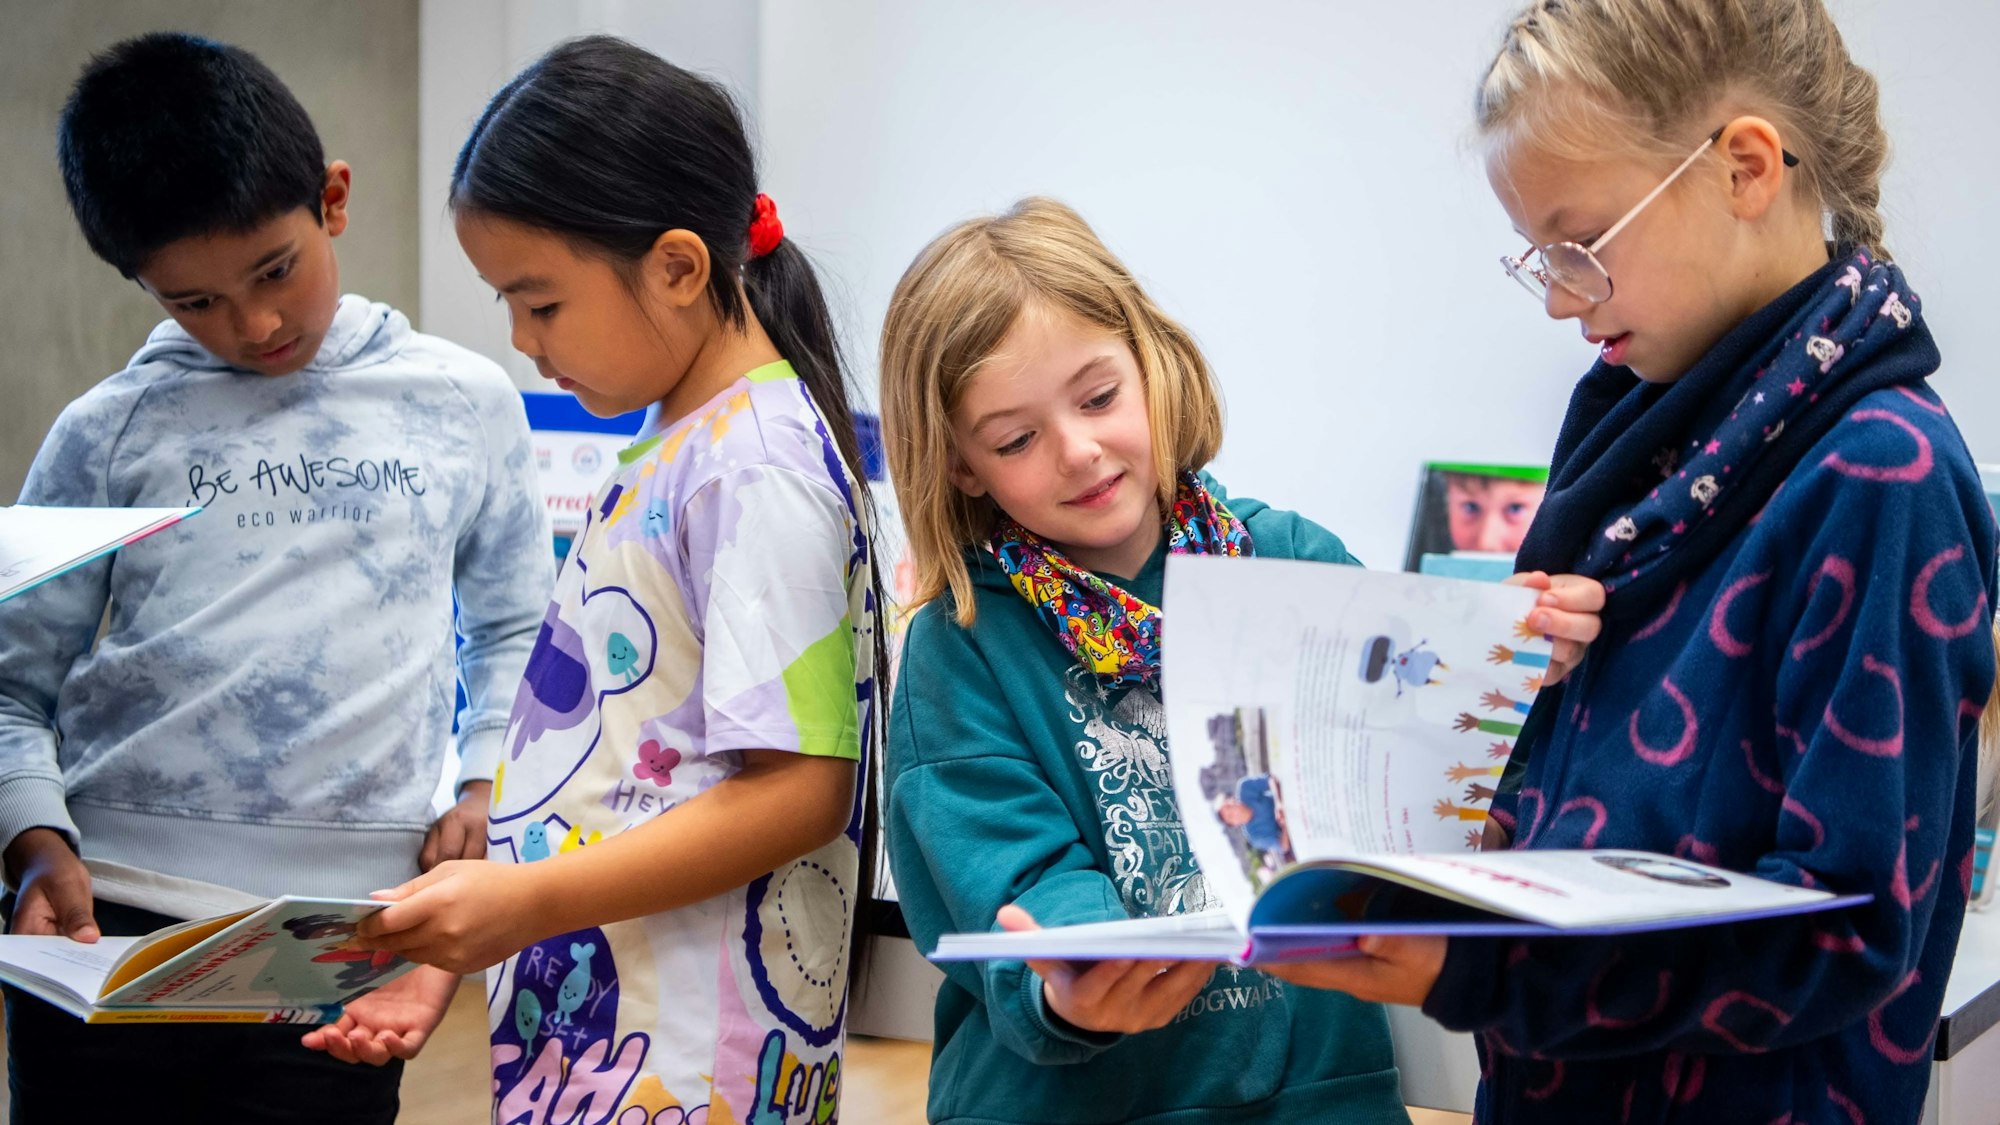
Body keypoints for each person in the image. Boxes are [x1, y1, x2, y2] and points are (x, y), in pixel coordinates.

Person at [1270, 3, 1998, 1122]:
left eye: (1582, 245)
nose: (1561, 298)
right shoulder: (1644, 425)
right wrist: (1494, 715)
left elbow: (1843, 928)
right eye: (1539, 259)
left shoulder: (1880, 477)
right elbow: (1595, 812)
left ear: (1744, 167)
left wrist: (1490, 966)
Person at [876, 196, 1601, 1124]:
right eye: (1016, 439)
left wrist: (1517, 668)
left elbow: (1430, 779)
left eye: (1098, 398)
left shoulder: (1293, 559)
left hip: (1319, 1101)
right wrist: (1075, 979)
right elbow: (1012, 883)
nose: (1079, 450)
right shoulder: (961, 646)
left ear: (1151, 362)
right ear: (962, 466)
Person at [314, 38, 885, 1124]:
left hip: (689, 1070)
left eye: (541, 303)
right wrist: (470, 936)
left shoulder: (752, 465)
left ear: (677, 268)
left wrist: (525, 900)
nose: (522, 341)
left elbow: (801, 788)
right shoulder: (684, 441)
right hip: (608, 1038)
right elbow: (611, 772)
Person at [0, 32, 551, 1121]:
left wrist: (483, 776)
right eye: (193, 302)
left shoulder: (461, 403)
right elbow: (14, 683)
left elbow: (515, 625)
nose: (251, 325)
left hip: (344, 936)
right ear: (141, 283)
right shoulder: (106, 431)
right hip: (108, 922)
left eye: (273, 272)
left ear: (332, 200)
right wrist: (32, 837)